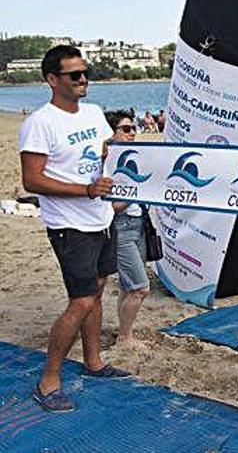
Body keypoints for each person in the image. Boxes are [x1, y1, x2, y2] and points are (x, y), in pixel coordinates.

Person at [19, 46, 131, 413]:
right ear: (52, 80)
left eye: (86, 73)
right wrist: (84, 190)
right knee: (81, 300)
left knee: (96, 294)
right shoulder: (40, 122)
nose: (84, 80)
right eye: (74, 75)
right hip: (70, 226)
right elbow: (32, 180)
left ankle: (94, 362)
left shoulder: (95, 113)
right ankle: (48, 380)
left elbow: (102, 152)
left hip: (101, 218)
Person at [106, 110, 151, 349]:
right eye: (126, 129)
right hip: (120, 227)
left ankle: (125, 332)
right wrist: (135, 193)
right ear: (111, 133)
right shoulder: (105, 162)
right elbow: (108, 207)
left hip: (138, 224)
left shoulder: (132, 157)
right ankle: (124, 339)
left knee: (127, 285)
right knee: (140, 288)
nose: (132, 133)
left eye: (133, 128)